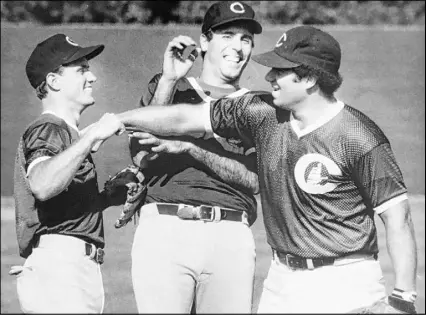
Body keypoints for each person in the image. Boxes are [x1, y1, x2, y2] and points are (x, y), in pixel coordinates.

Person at [118, 25, 418, 313]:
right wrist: (115, 121)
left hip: (345, 281)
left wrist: (403, 299)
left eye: (281, 70)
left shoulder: (360, 136)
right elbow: (183, 117)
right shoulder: (262, 114)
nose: (270, 76)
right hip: (281, 281)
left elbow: (398, 218)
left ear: (310, 78)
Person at [127, 1, 262, 313]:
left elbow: (255, 180)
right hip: (166, 225)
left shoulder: (259, 106)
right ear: (204, 42)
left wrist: (189, 148)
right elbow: (141, 157)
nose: (237, 47)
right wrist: (169, 79)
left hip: (230, 231)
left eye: (245, 39)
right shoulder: (169, 88)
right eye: (227, 35)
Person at [10, 33, 125, 313]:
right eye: (82, 69)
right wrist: (93, 135)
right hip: (60, 270)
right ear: (54, 81)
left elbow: (58, 210)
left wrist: (106, 198)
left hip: (70, 270)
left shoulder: (66, 135)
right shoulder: (48, 128)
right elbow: (41, 184)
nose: (92, 77)